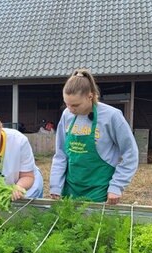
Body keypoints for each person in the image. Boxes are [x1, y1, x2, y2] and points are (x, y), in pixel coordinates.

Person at [49, 69, 138, 205]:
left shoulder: (112, 116)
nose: (70, 109)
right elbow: (61, 154)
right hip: (71, 187)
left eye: (75, 105)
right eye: (67, 104)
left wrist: (117, 186)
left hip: (99, 189)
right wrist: (55, 185)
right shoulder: (67, 115)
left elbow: (130, 153)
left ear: (90, 96)